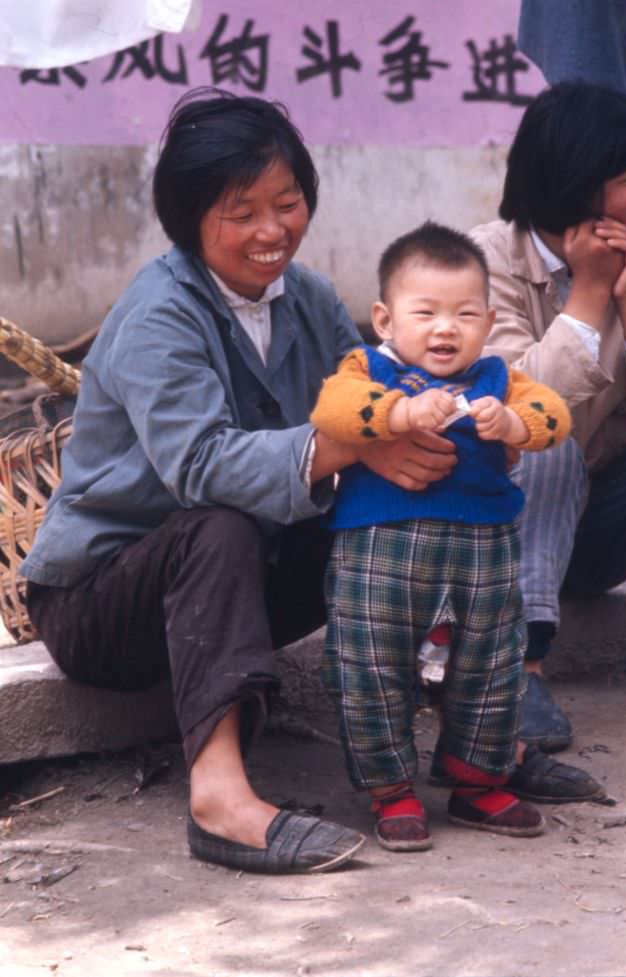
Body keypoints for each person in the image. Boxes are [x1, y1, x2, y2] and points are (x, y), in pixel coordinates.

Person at [19, 88, 458, 875]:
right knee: (217, 521)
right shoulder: (160, 312)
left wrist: (416, 437)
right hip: (101, 602)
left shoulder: (313, 299)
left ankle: (467, 739)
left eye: (286, 203)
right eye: (240, 212)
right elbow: (203, 466)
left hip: (244, 577)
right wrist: (356, 446)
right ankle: (220, 796)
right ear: (191, 219)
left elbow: (366, 405)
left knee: (405, 501)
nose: (270, 231)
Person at [310, 221, 571, 851]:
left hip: (483, 555)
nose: (445, 328)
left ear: (487, 320)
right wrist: (396, 413)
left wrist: (512, 424)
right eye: (424, 312)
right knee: (373, 665)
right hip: (380, 554)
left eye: (464, 313)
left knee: (493, 663)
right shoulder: (368, 368)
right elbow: (330, 409)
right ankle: (390, 790)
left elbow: (554, 416)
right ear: (385, 317)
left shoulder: (497, 378)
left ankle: (478, 781)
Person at [471, 81, 626, 763]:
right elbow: (519, 405)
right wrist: (591, 290)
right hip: (492, 536)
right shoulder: (479, 260)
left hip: (591, 528)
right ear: (579, 187)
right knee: (543, 432)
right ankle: (520, 669)